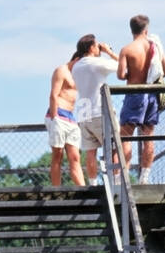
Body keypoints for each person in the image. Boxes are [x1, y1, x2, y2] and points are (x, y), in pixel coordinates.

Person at [116, 14, 165, 184]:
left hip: (134, 95)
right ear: (146, 30)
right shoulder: (155, 47)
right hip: (152, 94)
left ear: (131, 30)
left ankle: (121, 178)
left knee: (125, 136)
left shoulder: (127, 49)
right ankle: (144, 177)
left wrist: (132, 73)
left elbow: (120, 75)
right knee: (148, 136)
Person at [69, 34, 120, 184]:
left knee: (90, 151)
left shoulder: (76, 67)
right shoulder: (97, 63)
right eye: (97, 46)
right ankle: (116, 182)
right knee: (114, 147)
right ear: (91, 47)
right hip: (100, 112)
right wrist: (109, 52)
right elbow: (122, 67)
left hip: (83, 114)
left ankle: (92, 183)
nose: (99, 48)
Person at [46, 52, 84, 187]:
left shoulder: (79, 75)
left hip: (71, 116)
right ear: (76, 59)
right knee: (58, 155)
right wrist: (54, 116)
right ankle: (57, 190)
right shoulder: (62, 70)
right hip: (58, 113)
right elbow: (54, 95)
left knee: (75, 157)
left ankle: (83, 189)